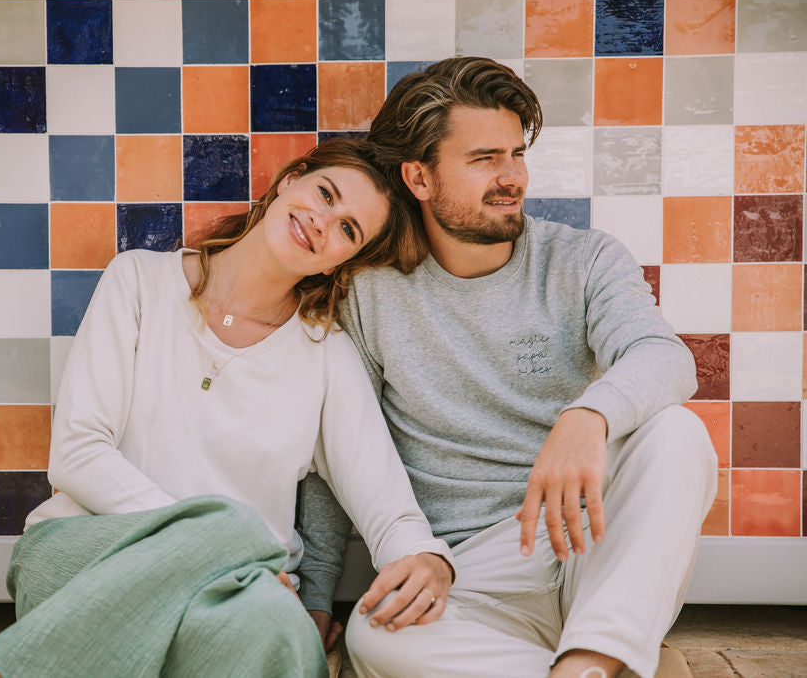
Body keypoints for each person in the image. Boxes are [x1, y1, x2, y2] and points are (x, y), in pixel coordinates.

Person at [0, 138, 455, 678]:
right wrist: (225, 543)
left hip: (236, 592)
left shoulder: (326, 356)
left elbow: (387, 507)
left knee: (282, 630)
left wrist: (427, 559)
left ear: (343, 262)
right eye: (325, 194)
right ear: (289, 180)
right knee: (237, 534)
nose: (322, 222)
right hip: (88, 550)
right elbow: (77, 455)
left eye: (348, 230)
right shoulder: (139, 281)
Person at [297, 58, 718, 678]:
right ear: (419, 176)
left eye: (517, 154)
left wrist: (588, 415)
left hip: (588, 545)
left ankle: (595, 652)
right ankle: (605, 666)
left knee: (677, 432)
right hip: (467, 571)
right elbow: (340, 449)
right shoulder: (369, 292)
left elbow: (664, 357)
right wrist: (313, 595)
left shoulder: (583, 259)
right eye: (484, 159)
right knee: (373, 633)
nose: (512, 177)